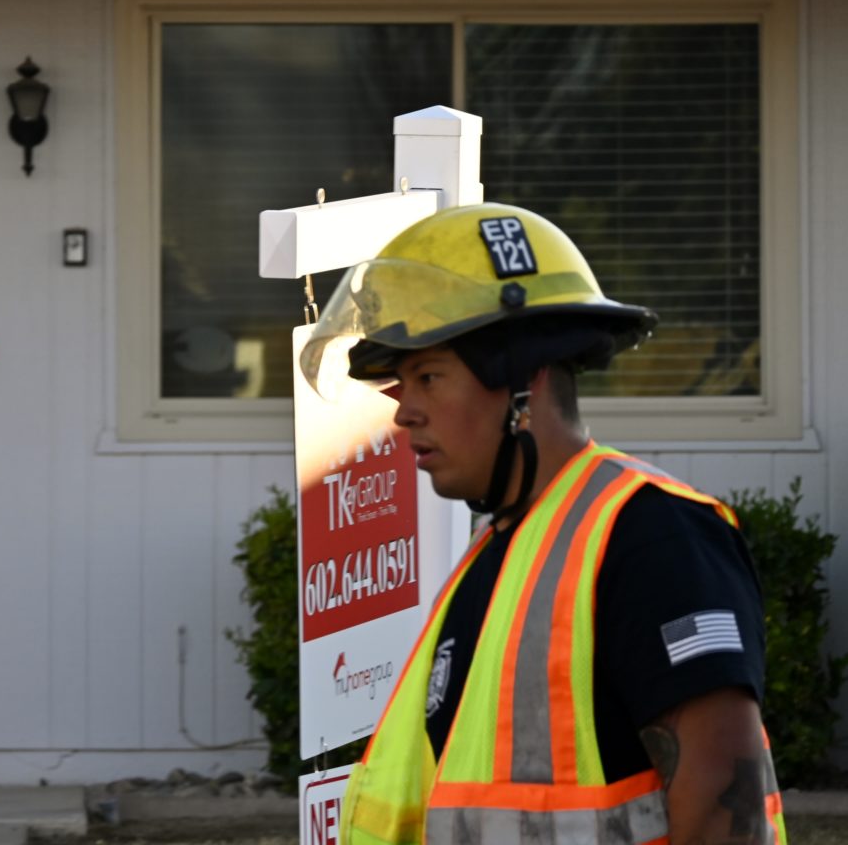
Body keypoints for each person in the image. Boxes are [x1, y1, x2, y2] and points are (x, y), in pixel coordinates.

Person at [301, 202, 786, 845]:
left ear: (524, 381)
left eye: (429, 377)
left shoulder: (653, 534)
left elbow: (728, 800)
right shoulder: (499, 554)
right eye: (400, 384)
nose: (404, 412)